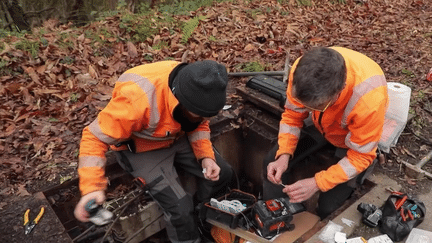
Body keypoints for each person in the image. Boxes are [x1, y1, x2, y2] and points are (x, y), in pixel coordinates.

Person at [74, 60, 234, 243]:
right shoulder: (136, 100)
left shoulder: (200, 86)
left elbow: (199, 123)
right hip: (142, 148)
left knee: (224, 174)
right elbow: (94, 137)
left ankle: (205, 217)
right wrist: (91, 187)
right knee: (180, 207)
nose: (205, 118)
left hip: (177, 135)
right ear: (182, 100)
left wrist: (206, 157)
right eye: (200, 114)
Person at [263, 47, 388, 219]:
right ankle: (275, 216)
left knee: (328, 209)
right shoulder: (302, 72)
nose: (304, 109)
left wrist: (316, 183)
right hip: (321, 123)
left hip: (352, 141)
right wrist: (284, 153)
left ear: (339, 90)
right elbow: (292, 116)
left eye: (313, 106)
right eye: (303, 104)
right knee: (271, 160)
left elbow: (360, 156)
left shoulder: (369, 103)